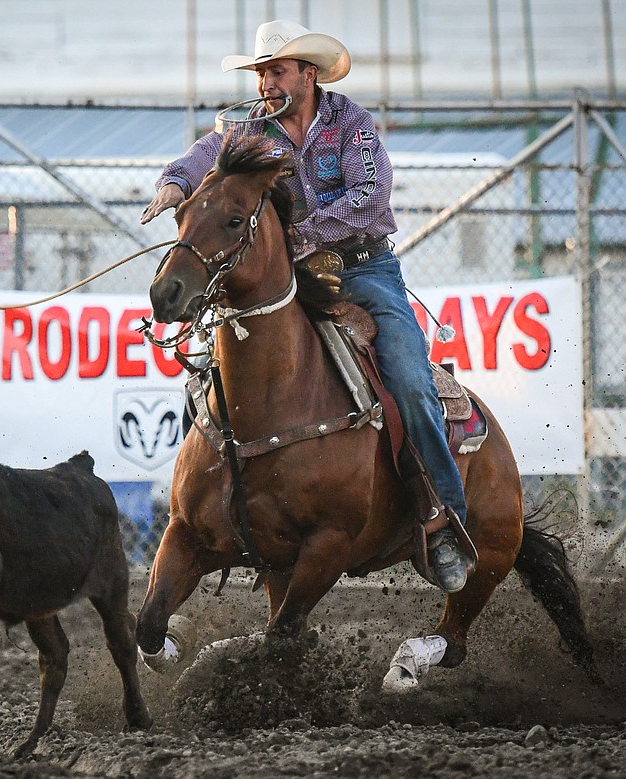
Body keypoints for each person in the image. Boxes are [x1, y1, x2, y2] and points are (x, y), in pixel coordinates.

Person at [139, 20, 470, 593]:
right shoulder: (249, 130)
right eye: (261, 72)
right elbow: (202, 157)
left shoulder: (352, 125)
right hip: (286, 274)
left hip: (362, 270)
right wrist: (174, 184)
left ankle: (444, 519)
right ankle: (220, 493)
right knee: (217, 363)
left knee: (411, 380)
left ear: (307, 74)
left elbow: (370, 199)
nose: (265, 81)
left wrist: (299, 235)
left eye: (276, 70)